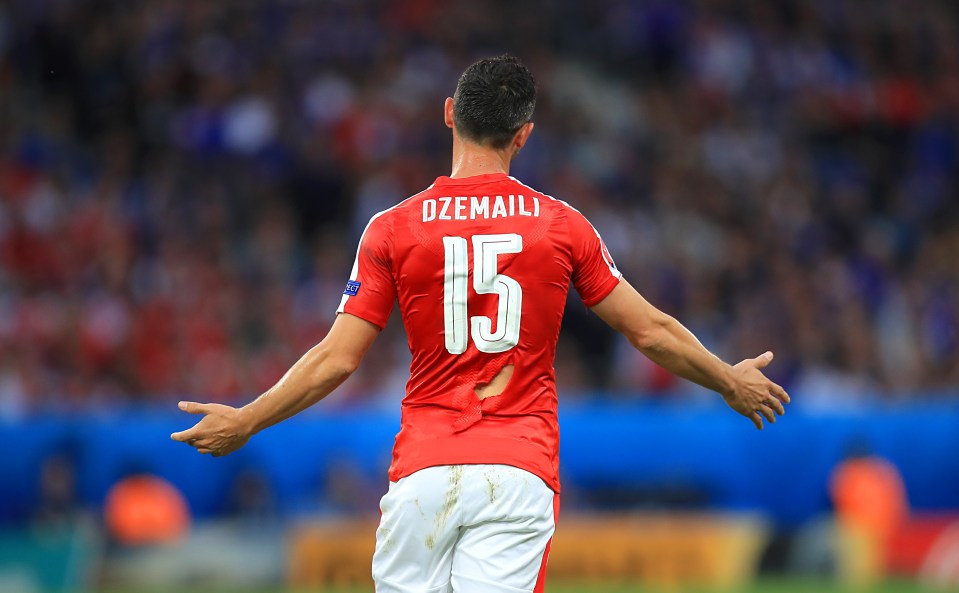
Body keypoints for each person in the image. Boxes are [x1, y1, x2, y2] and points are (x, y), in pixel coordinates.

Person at [171, 55, 791, 593]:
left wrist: (247, 418)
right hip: (516, 470)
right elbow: (649, 330)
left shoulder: (391, 227)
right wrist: (727, 381)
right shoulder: (561, 225)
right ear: (523, 135)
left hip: (422, 472)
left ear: (448, 113)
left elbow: (337, 358)